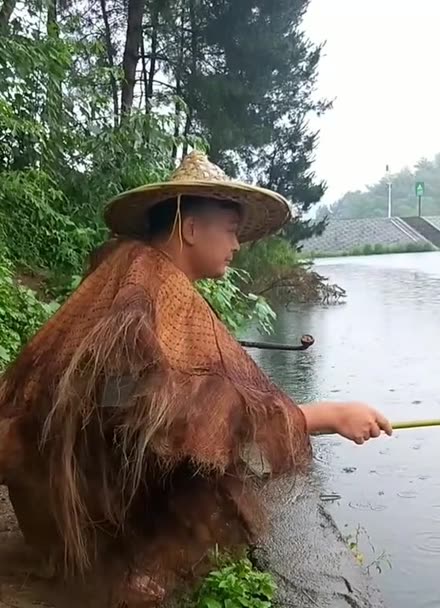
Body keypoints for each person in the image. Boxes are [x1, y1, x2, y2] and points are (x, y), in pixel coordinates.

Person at [0, 151, 392, 606]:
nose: (237, 244)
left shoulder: (136, 271)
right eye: (230, 230)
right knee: (209, 464)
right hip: (83, 505)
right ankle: (132, 566)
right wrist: (330, 415)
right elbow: (151, 407)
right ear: (189, 228)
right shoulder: (143, 289)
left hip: (59, 497)